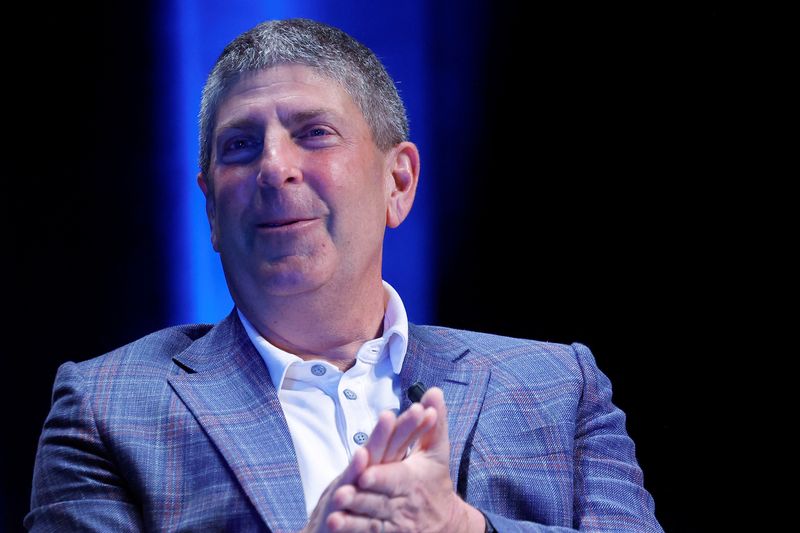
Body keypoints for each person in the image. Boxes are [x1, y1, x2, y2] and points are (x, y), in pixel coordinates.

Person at [26, 18, 663, 533]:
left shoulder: (559, 387)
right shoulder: (105, 406)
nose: (274, 168)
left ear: (399, 182)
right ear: (211, 210)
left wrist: (463, 530)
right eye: (241, 145)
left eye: (314, 133)